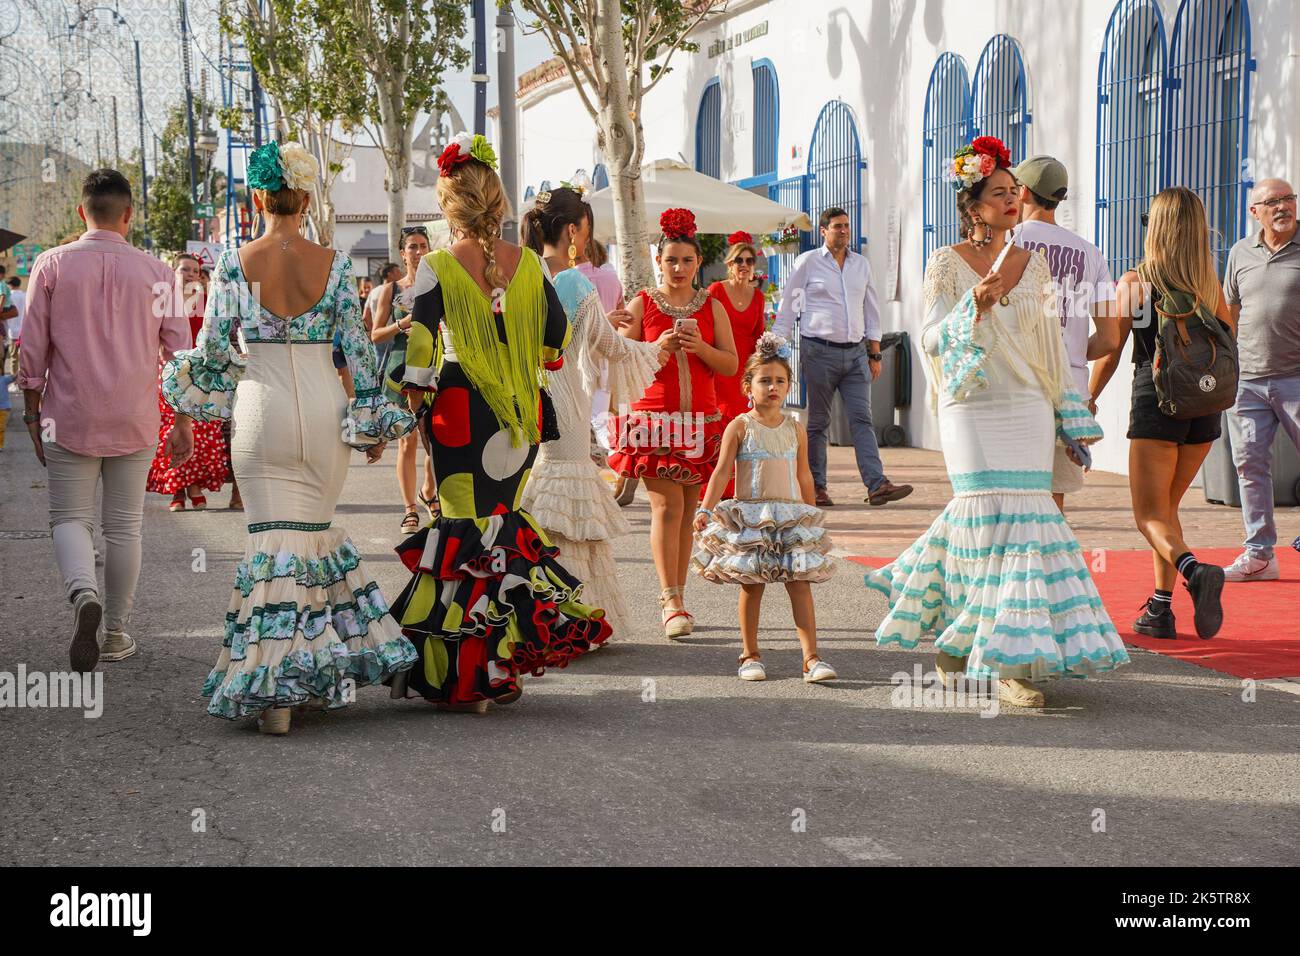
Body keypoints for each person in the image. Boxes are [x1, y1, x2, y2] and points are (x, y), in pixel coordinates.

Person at [161, 142, 418, 734]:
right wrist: (372, 422)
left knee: (272, 547)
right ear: (305, 199)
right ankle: (303, 678)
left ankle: (273, 690)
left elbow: (214, 353)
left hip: (260, 409)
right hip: (325, 413)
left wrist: (186, 412)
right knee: (311, 541)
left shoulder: (232, 262)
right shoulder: (333, 262)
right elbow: (357, 352)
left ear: (258, 197)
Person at [864, 137, 1127, 708]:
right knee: (979, 519)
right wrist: (972, 307)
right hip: (971, 404)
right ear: (974, 205)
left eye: (1015, 193)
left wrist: (1066, 409)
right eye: (1000, 193)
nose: (1012, 201)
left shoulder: (1035, 267)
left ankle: (1013, 662)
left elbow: (1053, 346)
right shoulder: (945, 262)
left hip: (1027, 404)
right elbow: (930, 337)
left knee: (1029, 523)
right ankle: (960, 638)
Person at [386, 133, 610, 711]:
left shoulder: (436, 265)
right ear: (499, 203)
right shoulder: (531, 264)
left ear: (448, 204)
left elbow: (418, 348)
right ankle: (495, 663)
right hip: (518, 415)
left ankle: (466, 675)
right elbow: (556, 339)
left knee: (461, 534)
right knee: (499, 530)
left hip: (460, 409)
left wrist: (409, 401)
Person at [19, 169, 191, 671]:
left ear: (81, 212)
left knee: (69, 517)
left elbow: (32, 347)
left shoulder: (50, 266)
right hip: (134, 417)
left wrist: (32, 413)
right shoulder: (159, 273)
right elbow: (179, 354)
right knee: (124, 527)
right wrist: (181, 419)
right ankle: (114, 631)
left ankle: (82, 595)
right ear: (129, 215)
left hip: (67, 414)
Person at [520, 185, 667, 638]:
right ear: (570, 231)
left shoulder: (522, 275)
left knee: (546, 498)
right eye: (584, 230)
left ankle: (542, 612)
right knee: (570, 499)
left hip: (529, 396)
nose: (584, 239)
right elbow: (605, 345)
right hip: (564, 394)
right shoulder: (575, 279)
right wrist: (656, 348)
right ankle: (571, 617)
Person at [1092, 187, 1234, 640]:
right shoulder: (1208, 284)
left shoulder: (1135, 283)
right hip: (1205, 407)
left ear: (1156, 228)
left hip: (1157, 403)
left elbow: (1110, 349)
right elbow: (1228, 336)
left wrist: (1088, 397)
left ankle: (1195, 572)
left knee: (1148, 515)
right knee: (1167, 509)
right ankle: (1160, 607)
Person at [607, 208, 738, 638]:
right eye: (670, 261)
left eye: (686, 261)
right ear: (658, 262)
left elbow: (732, 364)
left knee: (687, 514)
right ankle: (671, 600)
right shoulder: (642, 303)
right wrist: (656, 348)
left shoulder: (712, 306)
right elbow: (619, 361)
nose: (678, 268)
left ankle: (677, 594)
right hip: (653, 422)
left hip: (701, 421)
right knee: (667, 507)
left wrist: (700, 346)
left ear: (698, 263)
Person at [692, 333, 837, 682]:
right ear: (748, 386)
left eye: (780, 381)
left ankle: (811, 658)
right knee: (751, 585)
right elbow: (722, 471)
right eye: (764, 380)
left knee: (799, 583)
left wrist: (811, 518)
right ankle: (749, 655)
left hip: (789, 518)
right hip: (752, 517)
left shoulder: (796, 429)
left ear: (788, 387)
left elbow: (804, 474)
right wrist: (705, 509)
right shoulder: (739, 427)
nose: (773, 387)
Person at [772, 208, 912, 507]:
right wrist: (775, 349)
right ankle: (817, 487)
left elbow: (872, 309)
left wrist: (875, 353)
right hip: (818, 351)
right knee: (819, 421)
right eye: (837, 226)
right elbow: (788, 307)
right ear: (823, 231)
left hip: (855, 354)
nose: (844, 231)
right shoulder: (807, 263)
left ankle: (877, 485)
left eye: (847, 226)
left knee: (863, 419)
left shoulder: (861, 265)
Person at [1010, 155, 1120, 512]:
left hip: (1018, 379)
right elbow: (1109, 338)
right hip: (1069, 384)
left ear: (1023, 191)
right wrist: (1072, 349)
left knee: (1013, 491)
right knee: (1054, 495)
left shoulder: (1009, 240)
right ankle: (1051, 564)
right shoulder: (1090, 252)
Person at [1220, 178, 1300, 582]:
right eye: (1273, 201)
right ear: (1256, 212)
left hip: (1297, 377)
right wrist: (1230, 364)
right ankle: (1260, 554)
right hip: (1248, 380)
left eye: (1288, 198)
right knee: (1249, 465)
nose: (1283, 207)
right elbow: (1230, 310)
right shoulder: (1240, 253)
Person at [146, 253, 228, 511]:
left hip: (199, 374)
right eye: (184, 269)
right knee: (170, 428)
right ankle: (177, 490)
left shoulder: (207, 301)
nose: (191, 274)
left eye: (195, 270)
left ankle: (194, 486)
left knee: (201, 432)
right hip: (168, 371)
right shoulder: (163, 300)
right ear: (173, 271)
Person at [372, 226, 438, 532]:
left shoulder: (438, 285)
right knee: (406, 442)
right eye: (412, 246)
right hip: (399, 371)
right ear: (403, 253)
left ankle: (428, 490)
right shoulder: (392, 290)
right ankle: (410, 508)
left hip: (432, 368)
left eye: (423, 245)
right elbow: (375, 334)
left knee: (435, 441)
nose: (418, 251)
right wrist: (402, 324)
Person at [709, 230, 768, 499]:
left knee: (742, 424)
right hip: (721, 366)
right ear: (729, 264)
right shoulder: (716, 291)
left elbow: (758, 335)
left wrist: (760, 369)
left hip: (745, 369)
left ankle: (739, 486)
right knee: (720, 423)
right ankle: (714, 486)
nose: (744, 266)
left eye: (749, 261)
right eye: (739, 261)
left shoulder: (758, 297)